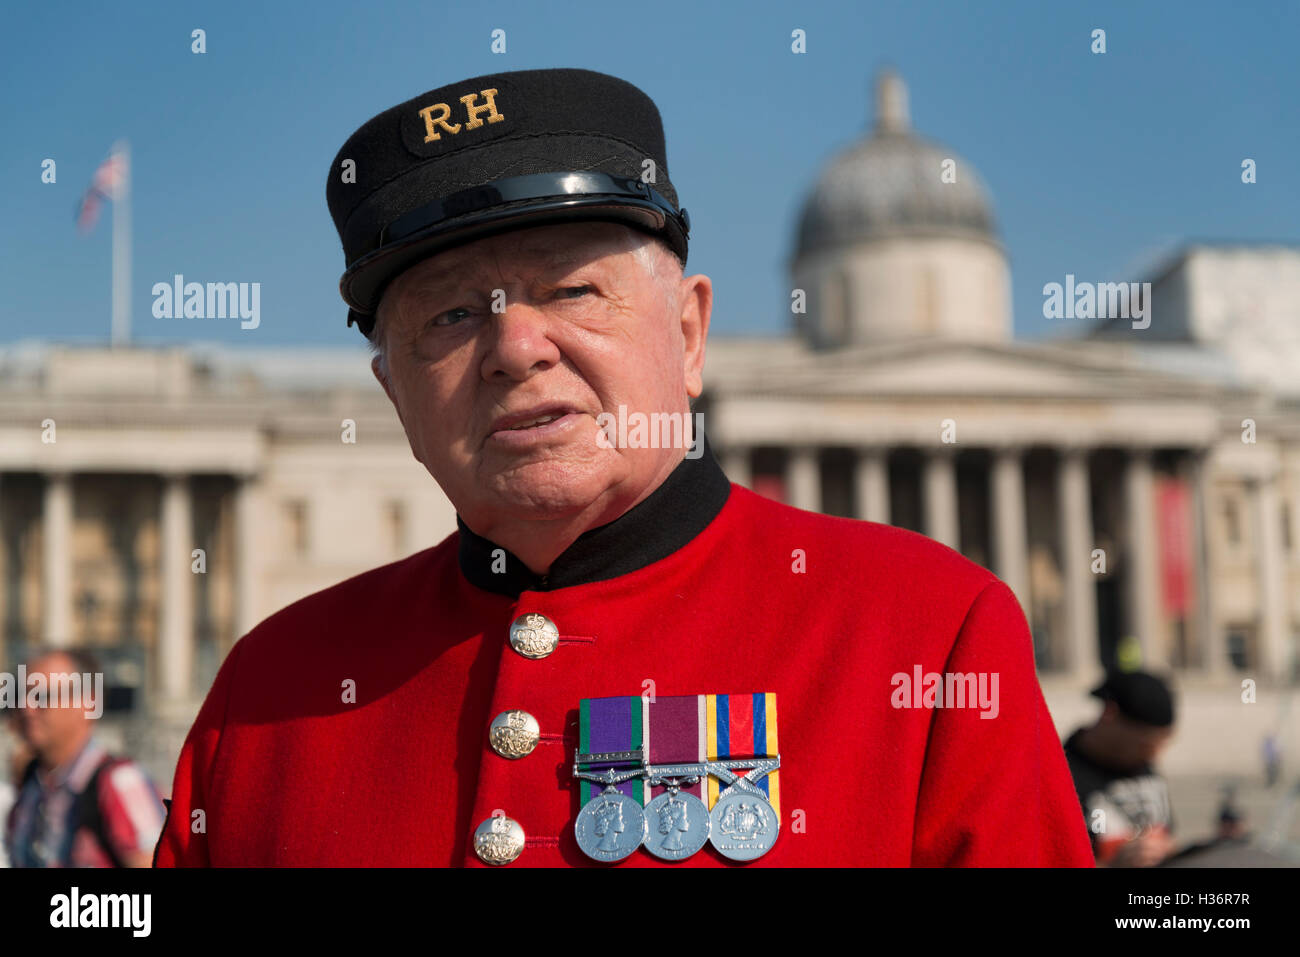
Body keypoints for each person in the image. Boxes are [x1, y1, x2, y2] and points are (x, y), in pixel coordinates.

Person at [154, 67, 1094, 867]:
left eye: (572, 289)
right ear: (394, 390)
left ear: (689, 333)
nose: (515, 347)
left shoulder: (929, 638)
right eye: (449, 315)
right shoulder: (269, 694)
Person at [5, 650, 166, 868]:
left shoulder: (120, 782)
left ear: (88, 702)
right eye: (18, 696)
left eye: (41, 697)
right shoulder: (33, 787)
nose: (26, 708)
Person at [1063, 670, 1176, 867]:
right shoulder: (1060, 778)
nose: (1155, 755)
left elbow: (1167, 833)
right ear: (1110, 714)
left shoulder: (1141, 766)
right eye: (1145, 745)